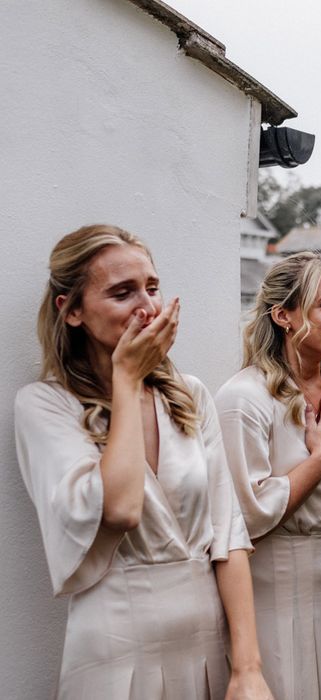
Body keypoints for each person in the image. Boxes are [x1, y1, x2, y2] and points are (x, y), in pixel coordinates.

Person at [15, 225, 272, 700]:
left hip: (205, 640)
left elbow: (228, 536)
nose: (148, 307)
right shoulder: (45, 405)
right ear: (71, 310)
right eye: (122, 292)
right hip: (115, 645)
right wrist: (127, 380)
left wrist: (248, 667)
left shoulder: (189, 395)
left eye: (152, 288)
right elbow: (120, 509)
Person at [215, 252, 321, 700]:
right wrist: (318, 460)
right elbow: (241, 520)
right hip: (271, 603)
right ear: (283, 315)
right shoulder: (243, 399)